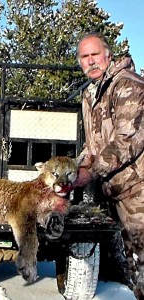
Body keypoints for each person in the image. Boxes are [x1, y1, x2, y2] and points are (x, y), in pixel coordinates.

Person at [74, 32, 144, 299]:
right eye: (84, 57)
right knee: (133, 267)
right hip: (117, 194)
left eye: (95, 54)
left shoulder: (128, 86)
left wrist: (89, 172)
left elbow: (126, 142)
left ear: (108, 54)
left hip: (138, 192)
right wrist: (71, 170)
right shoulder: (92, 94)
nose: (91, 61)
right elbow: (93, 147)